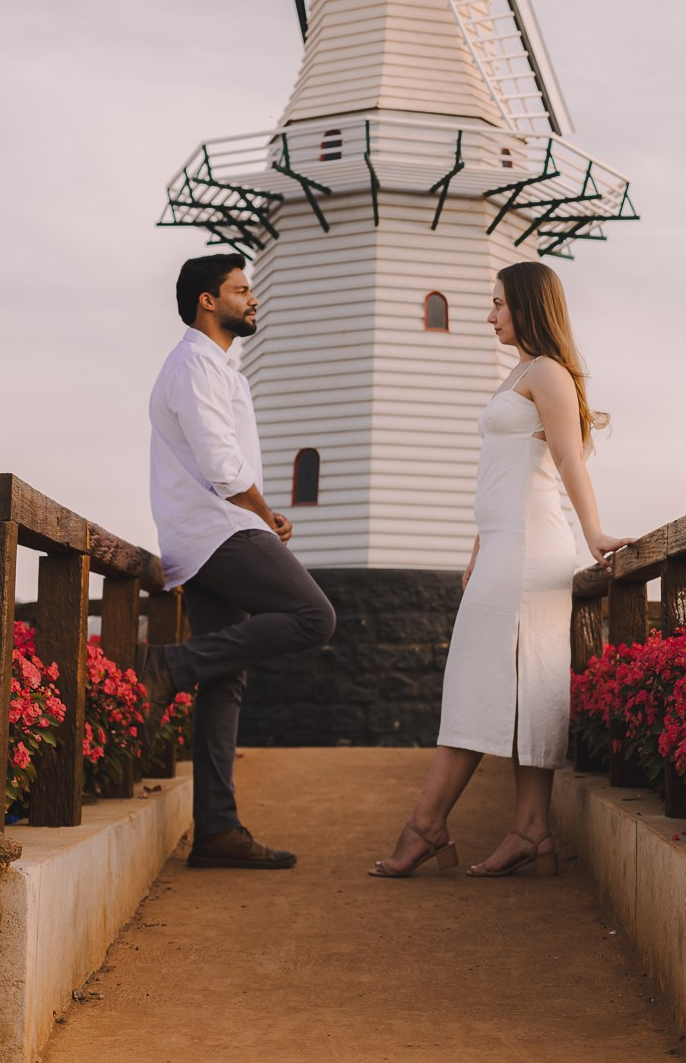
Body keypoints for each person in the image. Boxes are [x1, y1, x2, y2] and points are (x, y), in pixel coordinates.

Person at [370, 261, 632, 880]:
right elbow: (503, 473)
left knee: (482, 681)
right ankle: (531, 830)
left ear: (528, 307)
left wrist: (594, 532)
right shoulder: (520, 371)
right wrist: (478, 546)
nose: (489, 316)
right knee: (518, 684)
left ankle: (427, 825)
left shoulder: (547, 374)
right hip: (503, 546)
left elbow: (566, 456)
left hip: (529, 548)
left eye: (498, 305)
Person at [139, 254, 336, 870]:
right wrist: (264, 512)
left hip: (210, 529)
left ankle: (218, 831)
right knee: (314, 616)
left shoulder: (219, 367)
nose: (252, 299)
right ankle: (169, 665)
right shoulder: (195, 364)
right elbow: (223, 468)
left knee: (226, 678)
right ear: (207, 300)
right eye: (239, 290)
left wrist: (258, 510)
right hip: (217, 529)